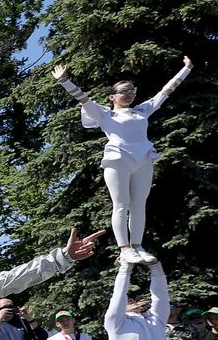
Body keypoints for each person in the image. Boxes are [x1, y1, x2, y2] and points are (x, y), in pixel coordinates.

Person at [51, 57, 192, 265]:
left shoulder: (142, 110)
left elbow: (167, 91)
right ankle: (124, 248)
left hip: (143, 158)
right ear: (112, 97)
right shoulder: (105, 114)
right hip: (118, 159)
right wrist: (64, 80)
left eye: (132, 90)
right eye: (123, 91)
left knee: (139, 204)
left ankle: (137, 246)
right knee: (121, 204)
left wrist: (186, 69)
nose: (129, 94)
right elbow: (82, 98)